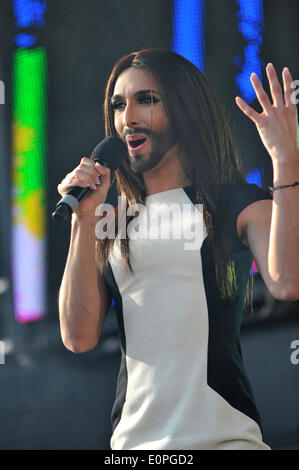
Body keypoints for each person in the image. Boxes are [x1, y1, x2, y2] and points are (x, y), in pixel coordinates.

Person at [58, 49, 299, 450]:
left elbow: (288, 282)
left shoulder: (236, 202)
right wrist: (82, 220)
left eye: (146, 100)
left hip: (225, 440)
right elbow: (78, 337)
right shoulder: (109, 221)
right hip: (134, 447)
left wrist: (285, 160)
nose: (128, 118)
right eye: (119, 105)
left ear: (185, 110)